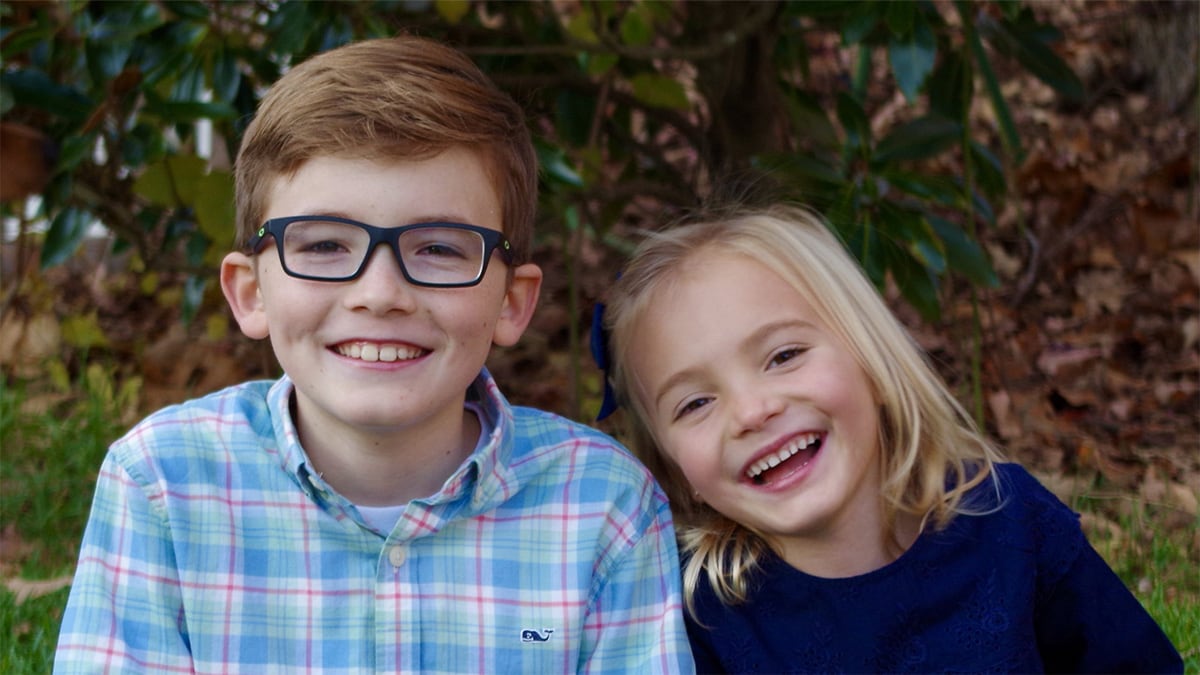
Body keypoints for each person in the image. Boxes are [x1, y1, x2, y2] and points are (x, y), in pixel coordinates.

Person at [54, 35, 693, 674]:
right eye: (325, 245)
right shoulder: (162, 483)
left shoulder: (603, 505)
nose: (381, 294)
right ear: (250, 294)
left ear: (511, 302)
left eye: (440, 249)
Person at [600, 204, 1183, 673]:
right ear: (676, 473)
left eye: (784, 355)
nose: (752, 411)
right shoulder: (698, 618)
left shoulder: (1007, 521)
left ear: (872, 362)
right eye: (696, 403)